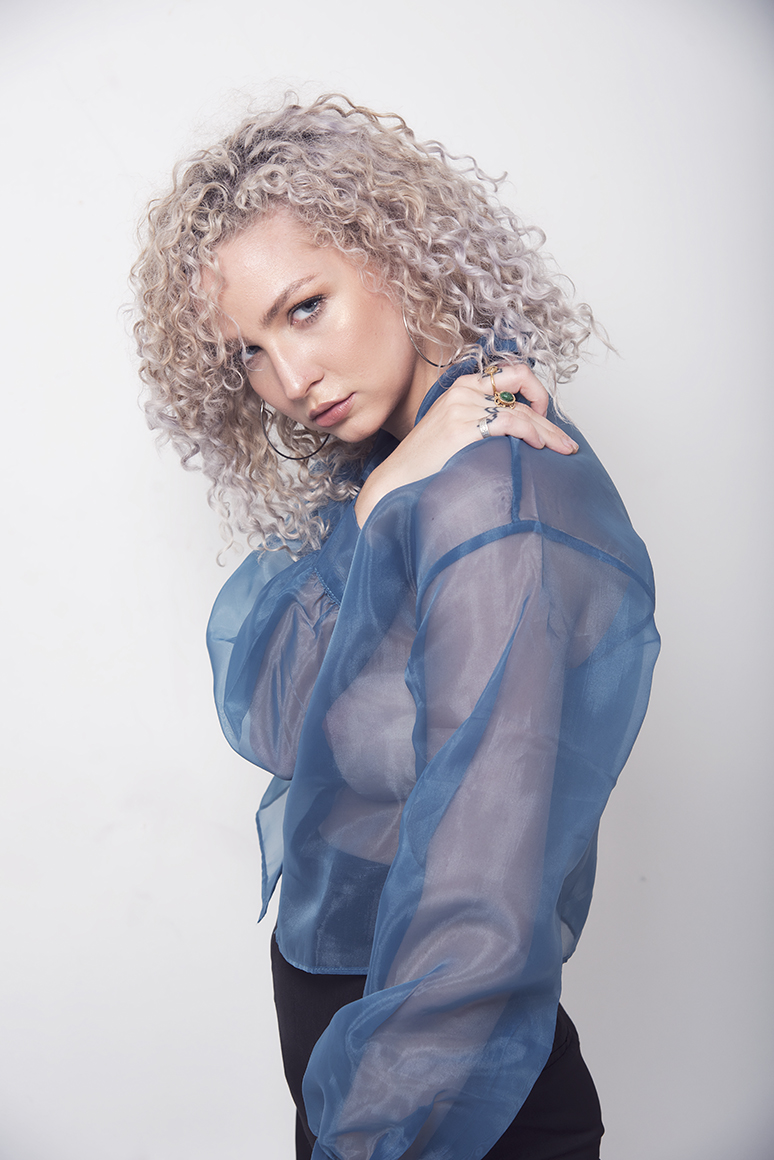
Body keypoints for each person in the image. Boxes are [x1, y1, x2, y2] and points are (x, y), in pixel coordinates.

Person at [133, 95, 660, 1160]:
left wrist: (370, 1132)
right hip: (368, 1055)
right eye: (247, 352)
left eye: (305, 308)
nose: (289, 382)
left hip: (430, 1097)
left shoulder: (491, 493)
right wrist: (377, 505)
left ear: (400, 253)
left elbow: (483, 894)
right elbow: (280, 714)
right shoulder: (395, 470)